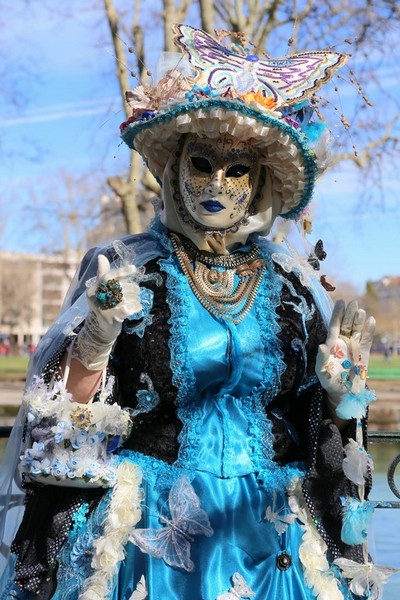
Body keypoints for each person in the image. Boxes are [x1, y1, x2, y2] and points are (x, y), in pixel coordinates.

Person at [0, 23, 389, 600]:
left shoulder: (294, 290)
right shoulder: (128, 270)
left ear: (260, 183)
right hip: (154, 528)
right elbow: (62, 417)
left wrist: (339, 388)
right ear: (174, 167)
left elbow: (323, 426)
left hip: (271, 533)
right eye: (202, 163)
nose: (217, 183)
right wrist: (96, 340)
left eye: (237, 172)